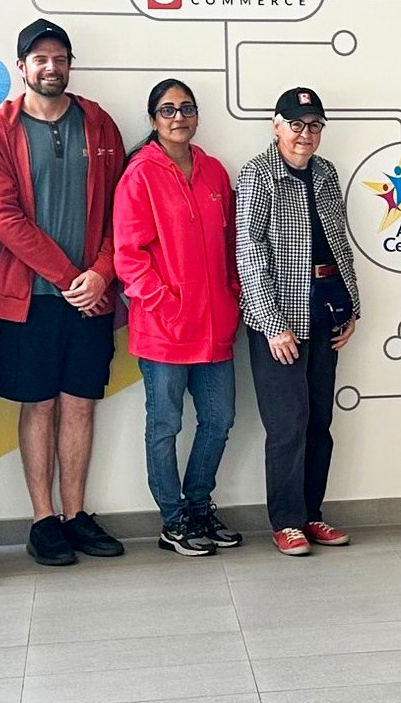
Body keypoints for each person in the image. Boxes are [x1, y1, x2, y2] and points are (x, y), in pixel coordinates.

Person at [0, 18, 128, 565]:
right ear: (22, 67)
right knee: (39, 407)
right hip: (32, 299)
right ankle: (43, 520)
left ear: (69, 65)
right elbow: (4, 217)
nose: (50, 67)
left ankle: (75, 515)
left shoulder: (99, 122)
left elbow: (120, 210)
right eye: (39, 58)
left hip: (93, 296)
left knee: (81, 405)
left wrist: (102, 274)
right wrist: (70, 279)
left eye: (59, 58)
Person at [115, 80, 243, 557]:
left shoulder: (214, 172)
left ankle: (198, 506)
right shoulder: (140, 175)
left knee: (219, 419)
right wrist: (166, 303)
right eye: (167, 110)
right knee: (165, 426)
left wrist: (231, 295)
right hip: (164, 330)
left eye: (187, 108)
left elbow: (232, 245)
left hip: (215, 328)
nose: (178, 117)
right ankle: (173, 520)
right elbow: (128, 256)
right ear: (153, 120)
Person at [238, 88, 361, 556]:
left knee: (319, 421)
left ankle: (312, 514)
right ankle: (286, 522)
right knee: (288, 424)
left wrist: (351, 306)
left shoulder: (326, 172)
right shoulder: (258, 174)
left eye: (314, 125)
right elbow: (249, 253)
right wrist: (272, 323)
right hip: (280, 318)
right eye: (296, 124)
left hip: (325, 309)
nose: (305, 134)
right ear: (276, 125)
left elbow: (339, 242)